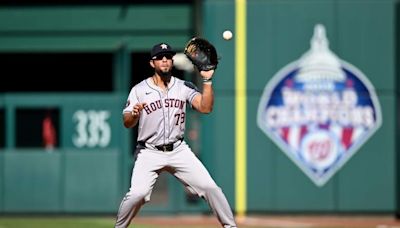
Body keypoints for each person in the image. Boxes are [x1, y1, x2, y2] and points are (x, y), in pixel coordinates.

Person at [115, 43, 237, 228]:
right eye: (160, 57)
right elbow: (127, 122)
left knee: (211, 188)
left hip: (178, 149)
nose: (165, 60)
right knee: (137, 194)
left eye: (168, 57)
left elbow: (205, 107)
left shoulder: (183, 87)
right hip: (149, 151)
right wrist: (134, 114)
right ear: (152, 63)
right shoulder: (139, 90)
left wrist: (207, 81)